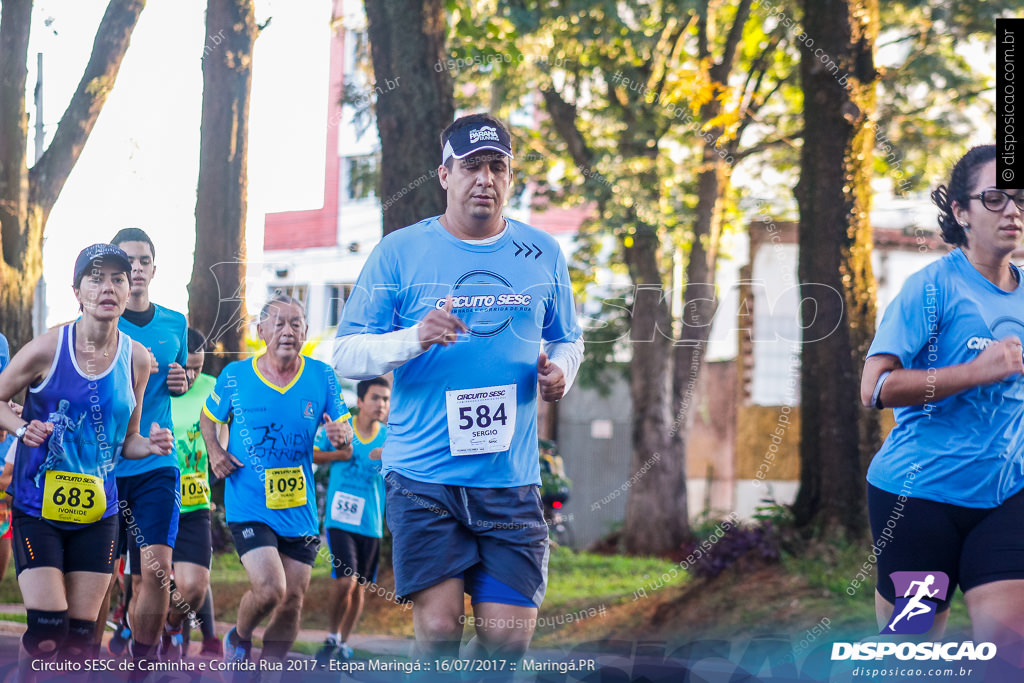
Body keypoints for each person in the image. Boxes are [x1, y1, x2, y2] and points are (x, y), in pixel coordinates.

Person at [332, 113, 584, 660]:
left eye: (498, 167)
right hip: (424, 476)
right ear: (445, 174)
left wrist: (562, 371)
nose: (485, 179)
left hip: (509, 480)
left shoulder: (542, 254)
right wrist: (414, 337)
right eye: (472, 166)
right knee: (442, 631)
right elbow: (346, 353)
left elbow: (569, 339)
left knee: (506, 643)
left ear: (511, 177)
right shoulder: (400, 251)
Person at [860, 145, 1024, 652]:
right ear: (960, 212)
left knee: (1007, 652)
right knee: (911, 653)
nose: (1013, 211)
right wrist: (973, 373)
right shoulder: (931, 288)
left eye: (1019, 199)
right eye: (995, 198)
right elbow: (876, 388)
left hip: (1006, 497)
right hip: (918, 499)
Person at [0, 244, 173, 670]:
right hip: (37, 507)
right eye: (96, 278)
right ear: (77, 291)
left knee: (79, 642)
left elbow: (127, 439)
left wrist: (148, 445)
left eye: (118, 278)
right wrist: (23, 429)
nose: (108, 287)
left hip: (98, 513)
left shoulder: (136, 358)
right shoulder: (46, 348)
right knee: (46, 631)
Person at [201, 294, 354, 663]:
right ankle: (239, 639)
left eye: (296, 323)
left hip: (297, 507)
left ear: (305, 331)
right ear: (262, 330)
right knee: (270, 590)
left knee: (292, 602)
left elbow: (343, 424)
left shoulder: (322, 376)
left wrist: (343, 434)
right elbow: (209, 419)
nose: (288, 331)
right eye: (279, 323)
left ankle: (270, 673)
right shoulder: (236, 376)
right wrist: (215, 453)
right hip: (249, 501)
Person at [107, 228, 189, 665]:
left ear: (154, 269)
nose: (135, 268)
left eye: (143, 261)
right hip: (101, 465)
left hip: (157, 461)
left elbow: (180, 379)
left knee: (157, 573)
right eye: (127, 261)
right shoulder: (98, 319)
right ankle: (82, 658)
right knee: (99, 577)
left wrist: (182, 381)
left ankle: (142, 666)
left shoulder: (176, 323)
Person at [314, 376, 391, 666]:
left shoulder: (389, 437)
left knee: (360, 585)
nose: (381, 404)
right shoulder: (343, 430)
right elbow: (313, 452)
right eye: (375, 398)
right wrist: (340, 454)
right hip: (340, 518)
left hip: (371, 522)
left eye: (385, 399)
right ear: (359, 401)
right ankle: (331, 635)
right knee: (345, 581)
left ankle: (343, 644)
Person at [161, 328, 217, 659]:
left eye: (198, 366)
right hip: (156, 500)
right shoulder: (154, 390)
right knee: (145, 584)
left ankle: (171, 624)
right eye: (187, 367)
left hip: (195, 502)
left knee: (194, 586)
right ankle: (150, 645)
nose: (193, 375)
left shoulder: (213, 389)